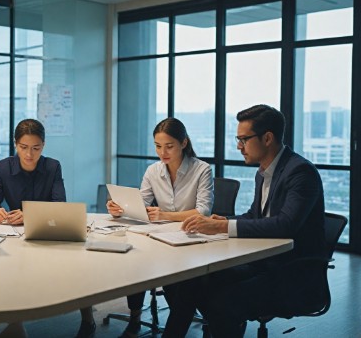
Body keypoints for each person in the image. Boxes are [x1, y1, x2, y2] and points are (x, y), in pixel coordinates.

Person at [164, 104, 326, 337]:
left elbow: (285, 225)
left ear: (267, 138)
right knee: (191, 281)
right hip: (265, 262)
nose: (238, 146)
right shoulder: (265, 171)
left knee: (222, 302)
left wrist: (222, 226)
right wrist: (225, 219)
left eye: (243, 139)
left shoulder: (300, 172)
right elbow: (255, 216)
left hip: (291, 273)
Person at [0, 118, 94, 338]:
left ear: (43, 145)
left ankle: (88, 320)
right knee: (10, 265)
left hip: (50, 229)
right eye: (23, 148)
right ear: (15, 144)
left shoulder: (52, 166)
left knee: (77, 264)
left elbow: (60, 204)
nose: (29, 155)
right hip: (16, 235)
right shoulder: (3, 168)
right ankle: (16, 323)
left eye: (36, 148)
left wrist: (29, 214)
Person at [106, 117, 213, 338]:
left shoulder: (201, 170)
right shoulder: (153, 171)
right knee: (135, 261)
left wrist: (165, 214)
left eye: (169, 146)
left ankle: (184, 321)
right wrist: (120, 209)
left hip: (190, 239)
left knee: (178, 283)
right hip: (161, 237)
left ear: (183, 143)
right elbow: (141, 204)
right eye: (157, 146)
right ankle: (135, 316)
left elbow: (203, 211)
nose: (162, 152)